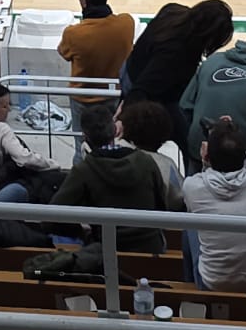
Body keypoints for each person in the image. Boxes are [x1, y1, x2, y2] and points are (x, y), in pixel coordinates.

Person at [52, 103, 176, 253]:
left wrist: (82, 232)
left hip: (105, 249)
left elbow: (52, 218)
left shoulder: (84, 170)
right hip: (150, 247)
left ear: (85, 136)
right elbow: (161, 205)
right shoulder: (146, 162)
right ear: (115, 129)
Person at [183, 117, 246, 289]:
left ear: (206, 156)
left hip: (215, 282)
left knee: (190, 228)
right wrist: (230, 138)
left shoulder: (192, 186)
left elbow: (205, 185)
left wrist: (209, 157)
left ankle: (191, 290)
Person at [124, 0, 235, 149]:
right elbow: (141, 89)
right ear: (210, 35)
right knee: (188, 140)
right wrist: (124, 118)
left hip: (134, 70)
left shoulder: (172, 11)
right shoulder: (175, 54)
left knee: (186, 137)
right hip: (145, 90)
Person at [179, 23, 246, 157]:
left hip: (200, 150)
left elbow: (185, 105)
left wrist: (197, 134)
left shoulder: (211, 61)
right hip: (238, 154)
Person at [57, 0, 135, 117]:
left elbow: (62, 52)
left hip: (83, 98)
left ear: (84, 0)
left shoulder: (73, 33)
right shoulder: (127, 23)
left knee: (82, 138)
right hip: (115, 95)